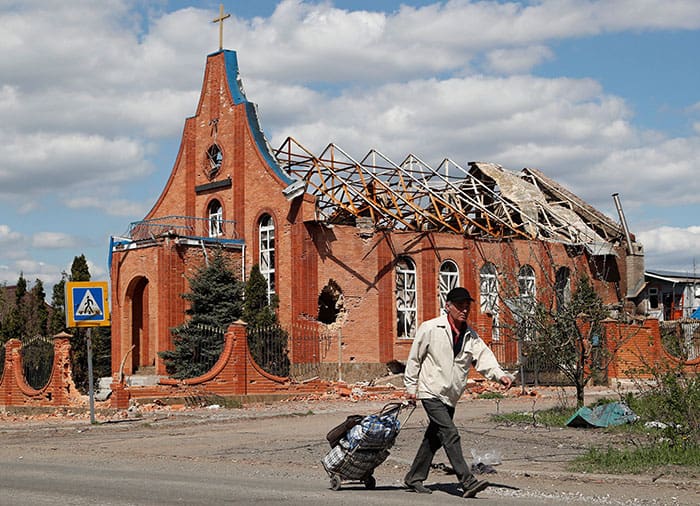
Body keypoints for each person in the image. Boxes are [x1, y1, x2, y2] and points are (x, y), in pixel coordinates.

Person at [403, 286, 513, 498]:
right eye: (460, 306)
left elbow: (485, 358)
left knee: (433, 439)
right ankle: (467, 481)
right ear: (448, 306)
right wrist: (411, 388)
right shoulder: (431, 328)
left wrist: (500, 375)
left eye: (467, 306)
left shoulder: (470, 336)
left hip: (450, 396)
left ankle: (413, 478)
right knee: (450, 434)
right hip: (430, 391)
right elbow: (414, 359)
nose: (464, 310)